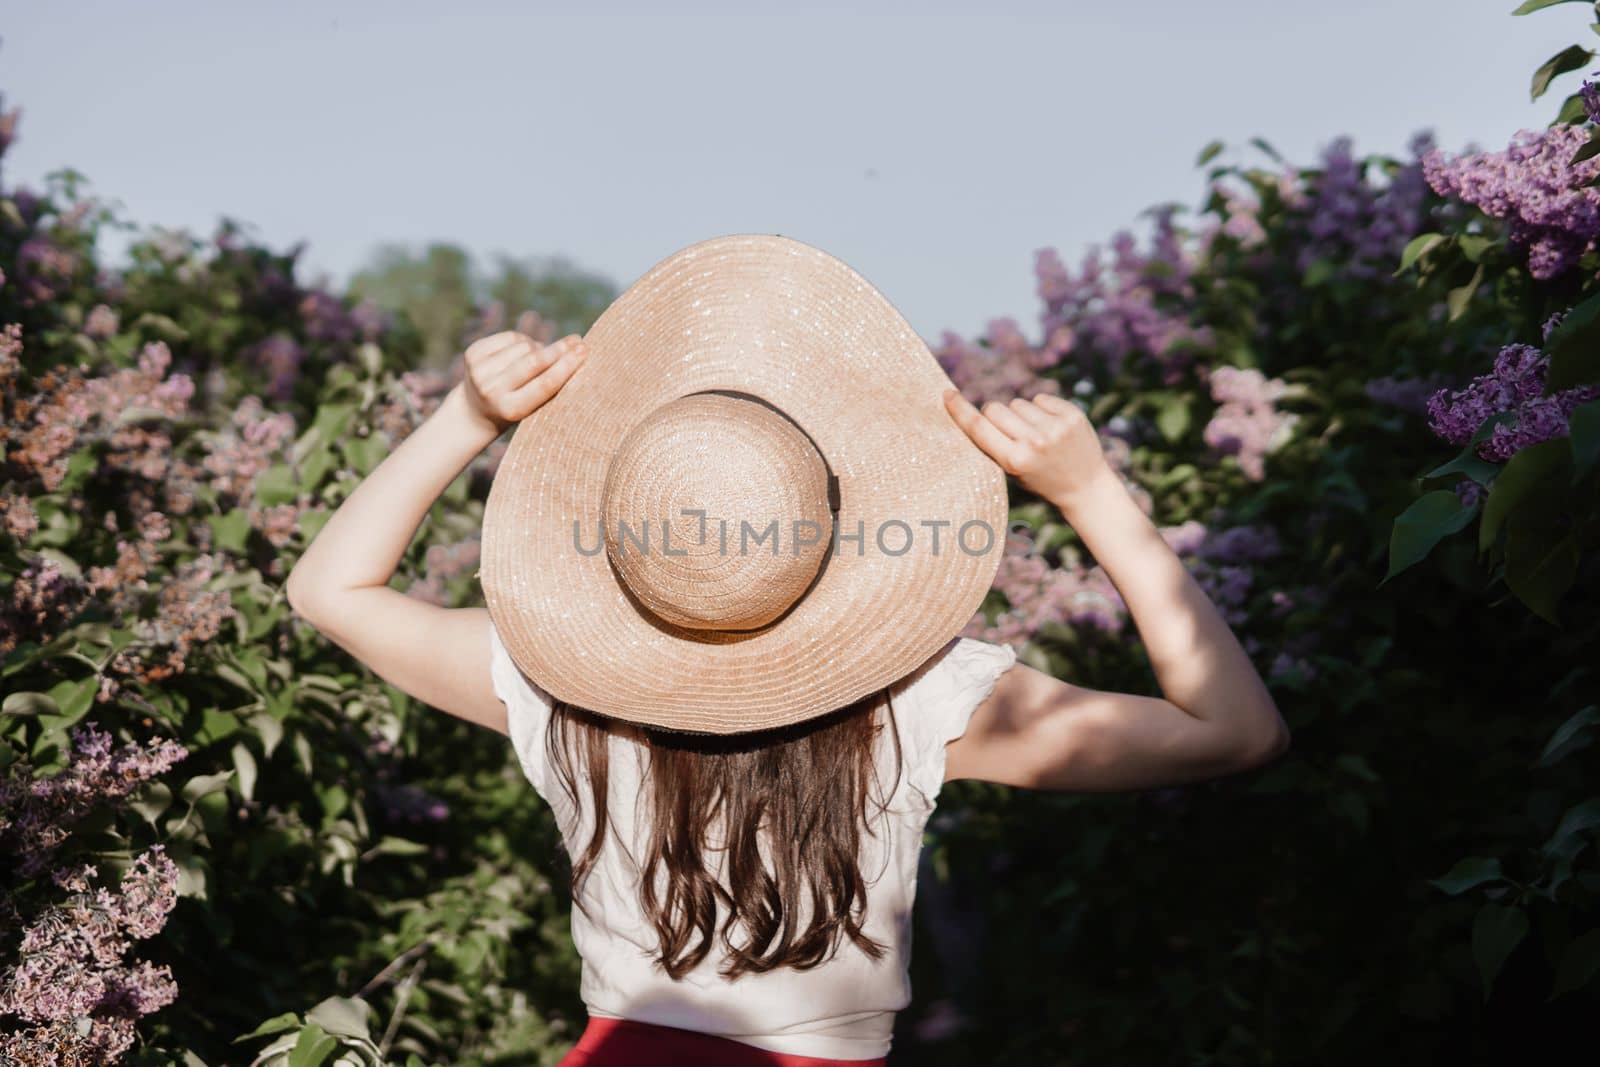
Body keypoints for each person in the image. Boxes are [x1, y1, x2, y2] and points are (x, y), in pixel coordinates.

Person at [286, 234, 1289, 1066]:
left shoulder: (552, 686)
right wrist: (1089, 493)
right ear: (829, 520)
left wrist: (466, 417)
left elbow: (328, 588)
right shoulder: (921, 698)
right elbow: (1235, 731)